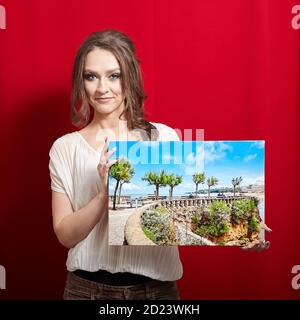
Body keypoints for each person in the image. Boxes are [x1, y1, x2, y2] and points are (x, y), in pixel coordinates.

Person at [48, 29, 182, 300]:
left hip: (157, 292)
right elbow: (65, 235)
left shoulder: (163, 137)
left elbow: (178, 219)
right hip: (87, 291)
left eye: (113, 75)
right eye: (91, 76)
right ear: (81, 81)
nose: (101, 88)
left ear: (129, 76)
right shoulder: (65, 147)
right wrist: (104, 194)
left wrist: (242, 230)